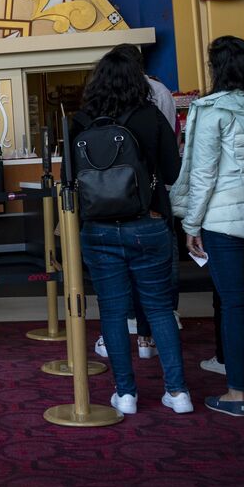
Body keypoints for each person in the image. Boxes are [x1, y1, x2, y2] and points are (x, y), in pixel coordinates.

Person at [172, 36, 244, 417]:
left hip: (222, 224)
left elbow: (203, 175)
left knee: (233, 305)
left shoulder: (212, 110)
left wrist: (191, 224)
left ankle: (236, 394)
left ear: (219, 69)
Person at [69, 48, 190, 416]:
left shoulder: (81, 122)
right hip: (148, 223)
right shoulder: (151, 116)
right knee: (159, 309)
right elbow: (173, 172)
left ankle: (126, 394)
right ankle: (178, 392)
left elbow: (68, 181)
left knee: (112, 312)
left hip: (99, 230)